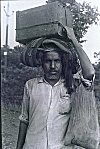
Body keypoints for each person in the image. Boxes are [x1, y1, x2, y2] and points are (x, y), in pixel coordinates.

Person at [16, 27, 95, 149]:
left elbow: (89, 72)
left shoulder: (72, 85)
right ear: (42, 63)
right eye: (48, 61)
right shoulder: (30, 85)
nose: (53, 66)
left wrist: (73, 39)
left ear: (62, 63)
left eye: (57, 61)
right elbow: (24, 120)